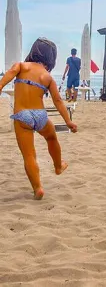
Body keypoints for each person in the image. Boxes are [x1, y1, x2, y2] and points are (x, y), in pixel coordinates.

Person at [0, 38, 77, 200]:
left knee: (29, 155)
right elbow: (58, 101)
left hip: (22, 116)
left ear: (33, 52)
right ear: (51, 59)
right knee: (51, 137)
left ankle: (37, 188)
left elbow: (9, 75)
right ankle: (58, 165)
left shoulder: (21, 66)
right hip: (40, 116)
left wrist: (0, 86)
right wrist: (68, 122)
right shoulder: (47, 77)